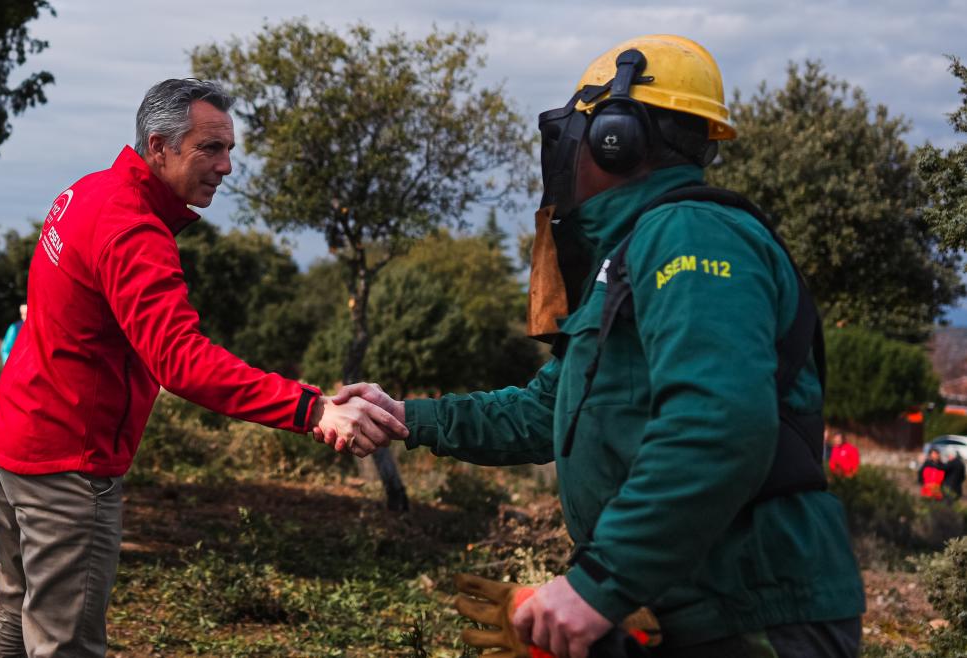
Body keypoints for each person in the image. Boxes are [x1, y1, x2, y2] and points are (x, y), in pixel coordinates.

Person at [328, 35, 863, 658]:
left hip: (751, 608)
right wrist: (407, 418)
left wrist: (599, 583)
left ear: (616, 136)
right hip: (685, 602)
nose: (565, 153)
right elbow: (543, 411)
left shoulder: (691, 232)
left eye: (576, 132)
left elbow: (718, 420)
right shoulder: (632, 254)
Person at [0, 78, 405, 658]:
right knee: (64, 640)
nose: (226, 166)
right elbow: (181, 360)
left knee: (13, 609)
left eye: (229, 150)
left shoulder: (86, 192)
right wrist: (312, 407)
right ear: (159, 147)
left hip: (18, 439)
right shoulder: (132, 229)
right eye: (210, 148)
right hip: (69, 463)